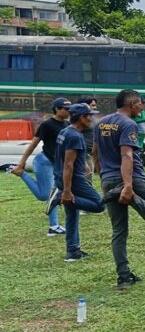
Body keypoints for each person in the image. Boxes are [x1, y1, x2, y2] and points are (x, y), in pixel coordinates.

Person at [94, 89, 145, 290]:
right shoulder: (128, 124)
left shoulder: (101, 123)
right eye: (141, 104)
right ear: (132, 103)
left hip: (108, 179)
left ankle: (124, 277)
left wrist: (102, 177)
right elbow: (127, 156)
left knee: (119, 230)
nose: (142, 108)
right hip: (131, 178)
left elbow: (95, 151)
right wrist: (127, 186)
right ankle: (132, 197)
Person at [49, 103, 105, 261]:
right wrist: (66, 191)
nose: (91, 119)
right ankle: (59, 196)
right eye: (90, 115)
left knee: (72, 213)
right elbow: (68, 164)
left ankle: (72, 251)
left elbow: (67, 157)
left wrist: (84, 163)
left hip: (61, 176)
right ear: (82, 117)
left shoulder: (65, 131)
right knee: (99, 204)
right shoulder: (75, 136)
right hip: (73, 179)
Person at [10, 97, 70, 236]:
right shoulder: (47, 125)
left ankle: (53, 227)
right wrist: (21, 164)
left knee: (53, 193)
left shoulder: (67, 125)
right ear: (57, 109)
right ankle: (23, 174)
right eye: (66, 109)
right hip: (44, 162)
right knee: (45, 195)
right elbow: (33, 144)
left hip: (56, 164)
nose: (68, 111)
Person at [76, 96, 98, 184]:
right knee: (86, 181)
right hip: (82, 154)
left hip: (89, 154)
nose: (95, 107)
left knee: (88, 180)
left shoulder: (91, 118)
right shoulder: (80, 120)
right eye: (92, 105)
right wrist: (84, 161)